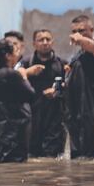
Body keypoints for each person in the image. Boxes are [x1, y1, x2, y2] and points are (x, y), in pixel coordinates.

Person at [0, 30, 43, 156]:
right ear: (8, 56)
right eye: (14, 51)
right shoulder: (11, 74)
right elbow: (31, 94)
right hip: (14, 136)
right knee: (14, 170)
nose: (17, 53)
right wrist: (24, 75)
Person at [64, 14, 94, 160]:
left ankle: (92, 182)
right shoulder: (78, 56)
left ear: (91, 29)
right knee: (77, 157)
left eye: (82, 30)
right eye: (74, 31)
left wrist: (82, 39)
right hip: (76, 114)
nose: (77, 34)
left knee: (90, 157)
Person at [22, 29, 68, 158]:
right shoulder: (25, 64)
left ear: (52, 42)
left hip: (55, 122)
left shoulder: (62, 64)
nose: (45, 42)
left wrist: (57, 91)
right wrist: (28, 72)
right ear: (34, 44)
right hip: (31, 121)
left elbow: (72, 87)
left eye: (48, 39)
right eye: (41, 40)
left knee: (52, 162)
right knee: (30, 160)